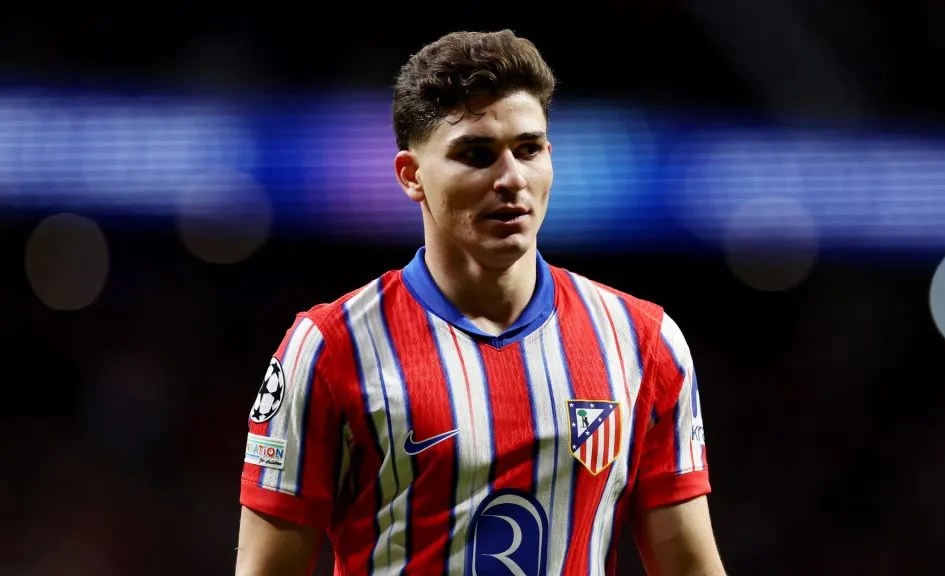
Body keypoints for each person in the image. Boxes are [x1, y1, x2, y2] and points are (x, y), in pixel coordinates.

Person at [235, 29, 726, 576]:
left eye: (528, 148)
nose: (511, 178)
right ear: (412, 176)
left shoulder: (643, 343)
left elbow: (688, 563)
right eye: (476, 154)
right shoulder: (329, 348)